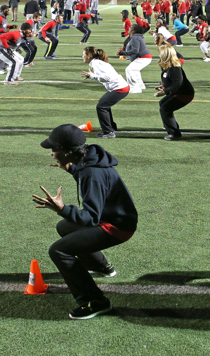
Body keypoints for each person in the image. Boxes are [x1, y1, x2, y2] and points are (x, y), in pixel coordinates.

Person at [33, 124, 138, 320]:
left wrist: (63, 209)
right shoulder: (90, 158)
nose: (52, 154)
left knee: (58, 250)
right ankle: (101, 266)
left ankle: (96, 302)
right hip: (115, 218)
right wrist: (71, 170)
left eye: (54, 149)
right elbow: (86, 178)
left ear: (66, 151)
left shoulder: (92, 174)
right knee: (64, 227)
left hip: (116, 226)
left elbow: (91, 217)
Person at [81, 47, 129, 139]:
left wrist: (92, 76)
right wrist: (92, 76)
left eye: (84, 54)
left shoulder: (97, 63)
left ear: (89, 55)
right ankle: (111, 127)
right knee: (103, 104)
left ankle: (108, 132)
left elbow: (107, 78)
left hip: (119, 88)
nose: (82, 56)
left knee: (101, 107)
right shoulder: (96, 62)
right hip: (120, 87)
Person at [155, 45, 194, 140]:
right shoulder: (166, 66)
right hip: (178, 92)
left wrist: (165, 91)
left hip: (185, 94)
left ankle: (175, 133)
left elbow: (178, 85)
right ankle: (170, 125)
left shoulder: (175, 68)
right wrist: (164, 86)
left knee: (165, 109)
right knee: (163, 104)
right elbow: (170, 80)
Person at [119, 25, 152, 94]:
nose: (128, 29)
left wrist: (123, 53)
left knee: (129, 70)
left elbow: (135, 50)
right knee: (135, 70)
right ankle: (140, 85)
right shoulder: (136, 37)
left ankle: (135, 88)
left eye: (130, 28)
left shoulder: (135, 38)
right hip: (145, 57)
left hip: (143, 58)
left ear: (133, 30)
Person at [0, 5, 17, 74]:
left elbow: (3, 26)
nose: (8, 10)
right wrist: (3, 30)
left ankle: (3, 66)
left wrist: (11, 27)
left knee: (7, 50)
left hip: (0, 37)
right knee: (2, 51)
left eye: (8, 9)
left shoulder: (4, 18)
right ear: (3, 10)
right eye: (7, 9)